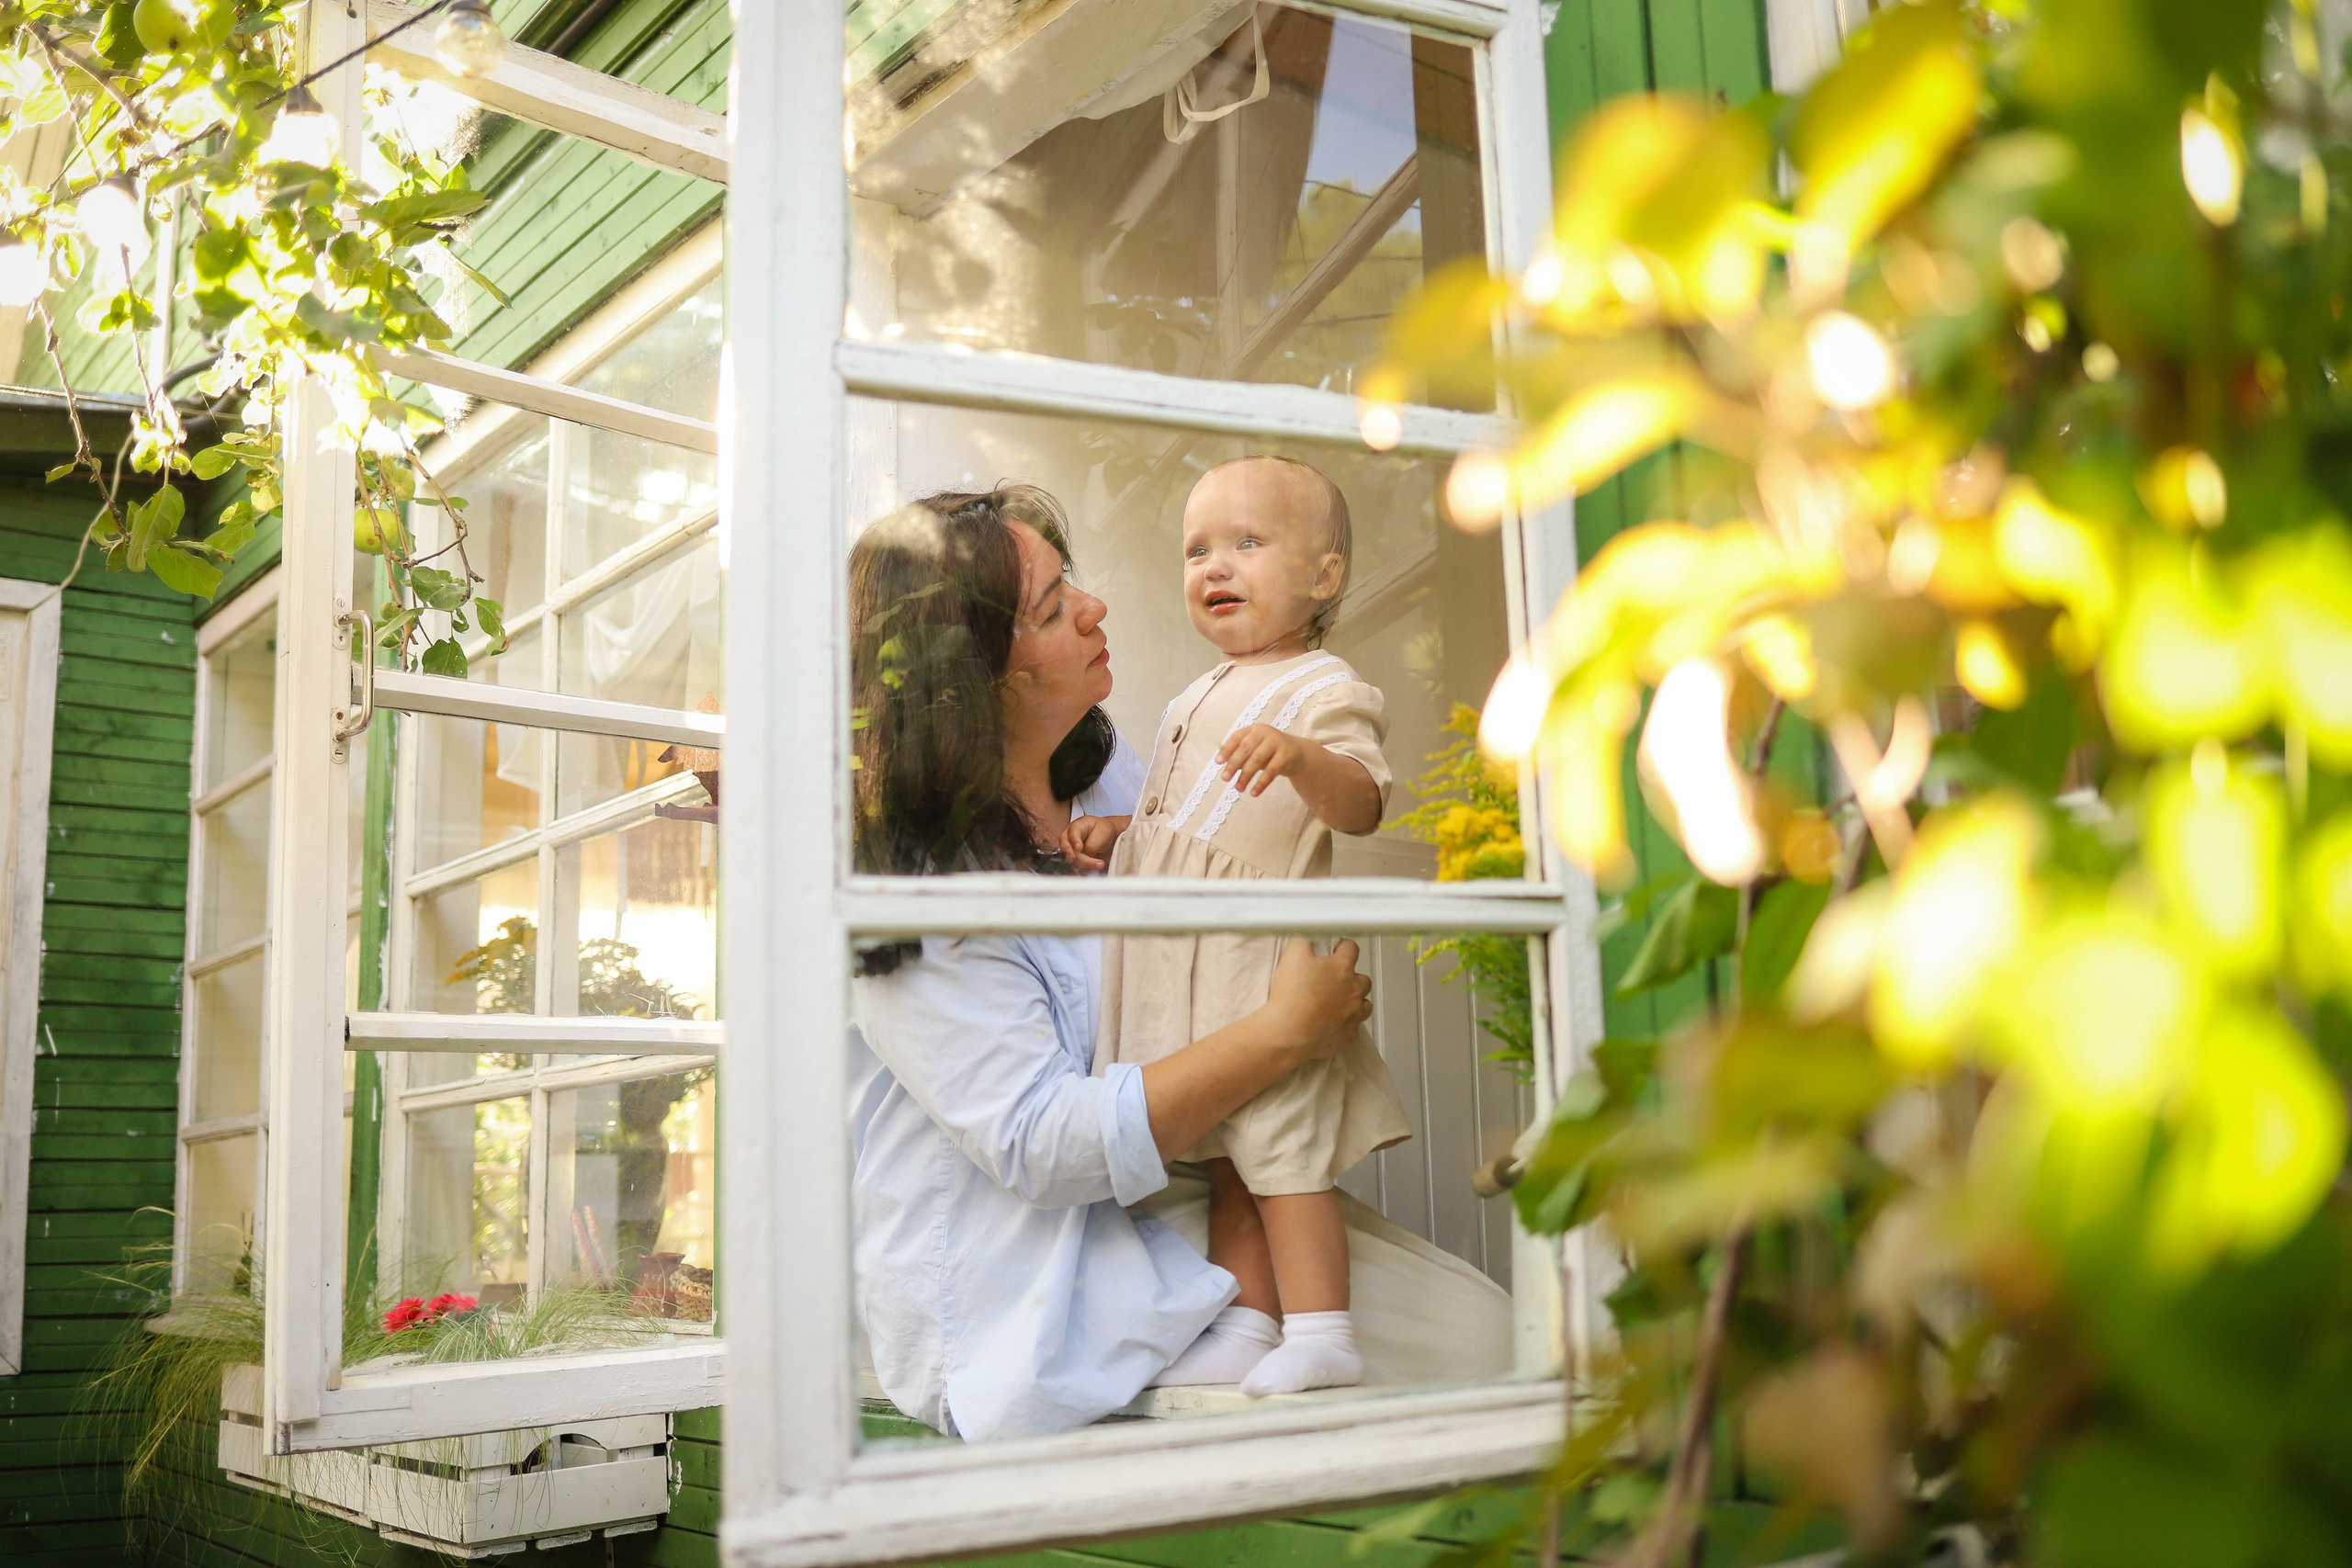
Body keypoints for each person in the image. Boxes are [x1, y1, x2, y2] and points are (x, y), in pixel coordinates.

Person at [846, 484, 1375, 1441]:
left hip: (1206, 1203)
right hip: (1041, 1300)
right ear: (973, 677)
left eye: (1071, 586)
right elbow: (1043, 1144)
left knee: (1474, 1333)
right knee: (1440, 1375)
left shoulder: (1105, 773)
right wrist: (1285, 1031)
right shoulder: (913, 883)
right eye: (1052, 609)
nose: (1094, 610)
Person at [1064, 457, 1411, 1397]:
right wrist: (1122, 830)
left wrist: (1302, 757)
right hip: (1190, 968)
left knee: (1281, 1149)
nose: (1214, 567)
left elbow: (1363, 803)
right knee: (1225, 1150)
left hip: (1260, 963)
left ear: (1323, 577)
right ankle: (1252, 1321)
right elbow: (1184, 822)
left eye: (1247, 544)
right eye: (1196, 552)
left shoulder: (1322, 686)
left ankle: (1323, 1328)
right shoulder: (1189, 696)